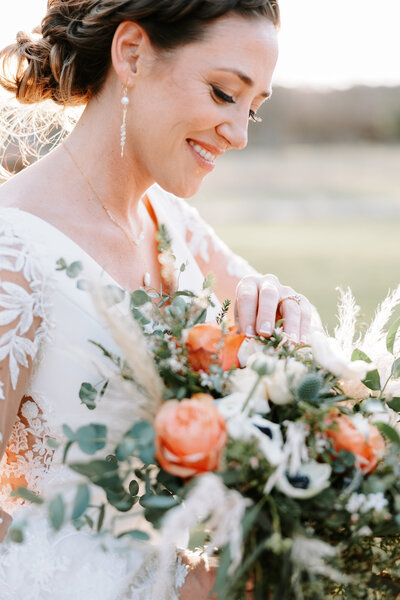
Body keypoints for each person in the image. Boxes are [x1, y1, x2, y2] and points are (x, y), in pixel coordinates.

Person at [0, 1, 313, 597]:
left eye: (254, 110)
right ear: (132, 54)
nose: (240, 133)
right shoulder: (11, 257)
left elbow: (292, 359)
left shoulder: (172, 223)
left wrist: (274, 306)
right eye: (225, 93)